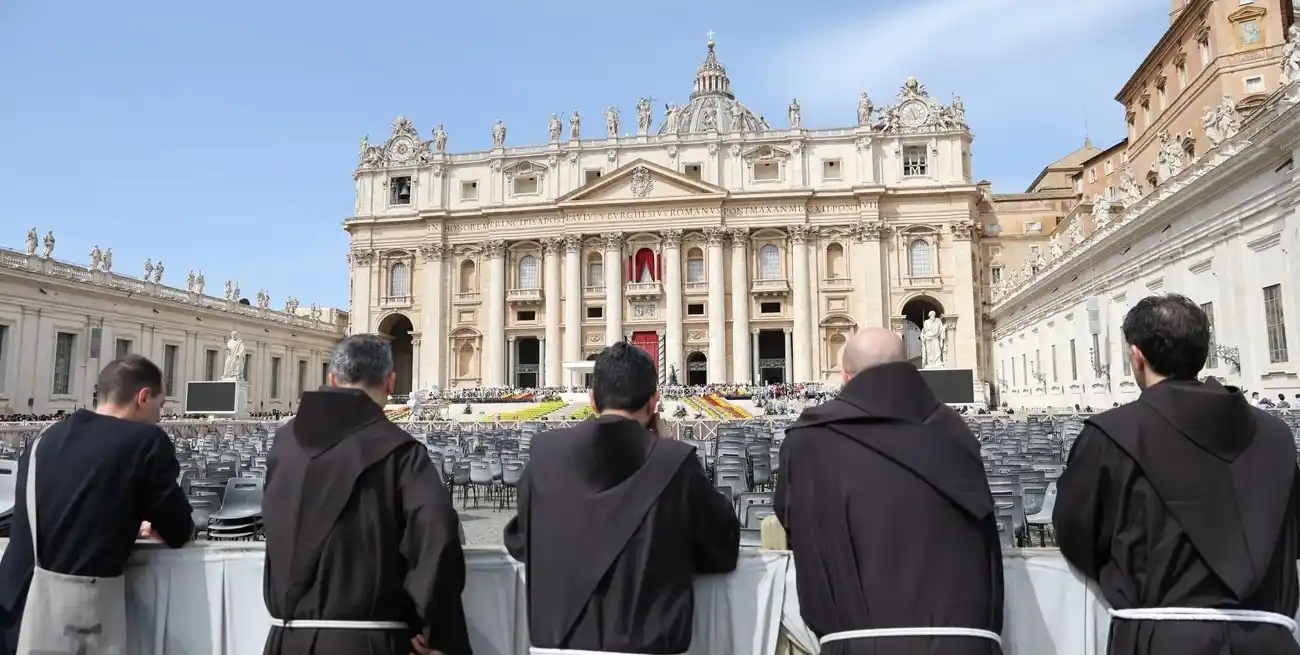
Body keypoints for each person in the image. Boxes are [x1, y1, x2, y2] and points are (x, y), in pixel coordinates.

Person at [1055, 294, 1300, 655]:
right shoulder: (1277, 436)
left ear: (1137, 356)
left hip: (1161, 638)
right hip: (1269, 640)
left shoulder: (1110, 435)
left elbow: (1076, 535)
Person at [775, 327, 1004, 654]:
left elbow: (791, 521)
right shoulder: (956, 432)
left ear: (846, 376)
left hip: (860, 644)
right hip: (964, 641)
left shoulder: (809, 440)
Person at [504, 341, 739, 654]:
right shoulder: (674, 461)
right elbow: (721, 548)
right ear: (655, 402)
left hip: (556, 646)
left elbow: (519, 541)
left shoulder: (545, 455)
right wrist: (665, 444)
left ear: (592, 399)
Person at [261, 334, 471, 655]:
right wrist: (436, 630)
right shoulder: (400, 451)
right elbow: (437, 534)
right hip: (368, 643)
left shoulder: (283, 445)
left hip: (285, 640)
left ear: (332, 379)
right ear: (390, 382)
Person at [0, 355, 194, 653]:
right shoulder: (146, 441)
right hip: (76, 621)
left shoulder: (45, 438)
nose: (159, 415)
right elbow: (180, 529)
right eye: (161, 404)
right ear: (143, 397)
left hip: (14, 607)